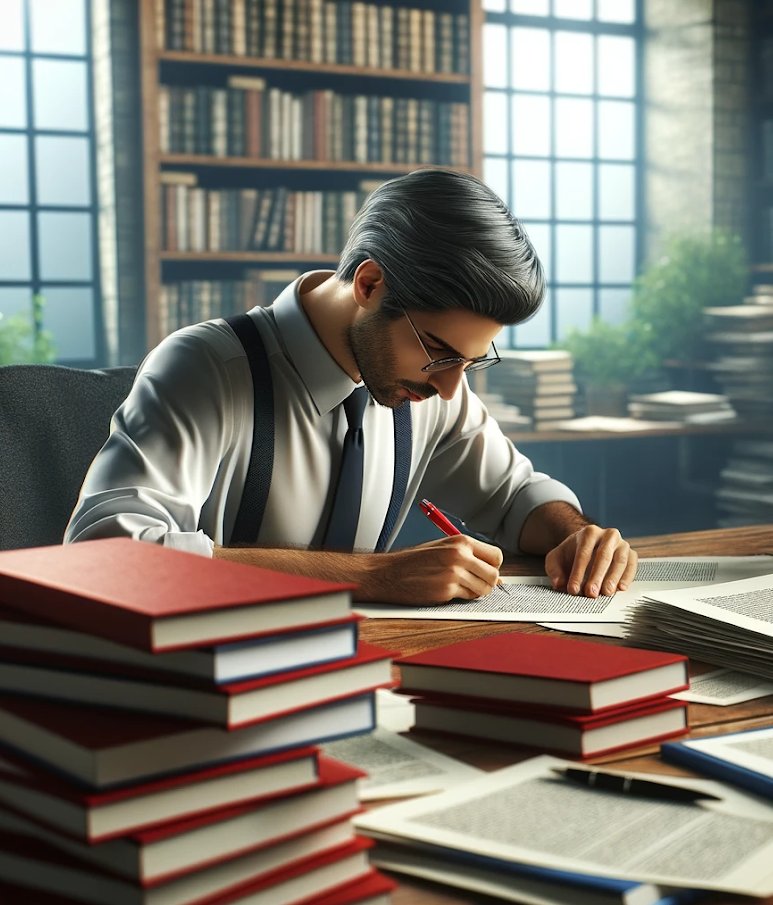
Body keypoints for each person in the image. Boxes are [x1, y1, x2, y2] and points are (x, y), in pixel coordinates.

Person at [66, 169, 638, 605]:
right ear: (369, 284)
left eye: (472, 360)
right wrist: (370, 576)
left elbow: (514, 497)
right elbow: (107, 557)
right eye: (439, 353)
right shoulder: (207, 367)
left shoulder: (433, 385)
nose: (449, 389)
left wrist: (578, 535)